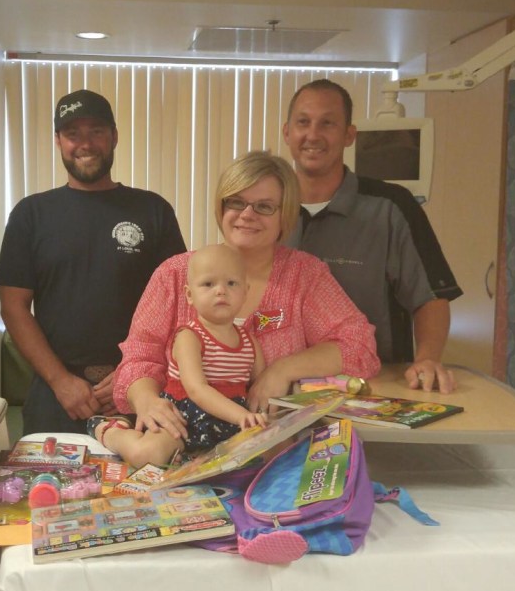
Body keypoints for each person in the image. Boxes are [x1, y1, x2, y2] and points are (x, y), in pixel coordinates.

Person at [112, 151, 379, 442]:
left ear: (285, 215)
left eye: (264, 207)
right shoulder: (175, 274)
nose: (247, 215)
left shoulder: (305, 275)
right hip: (183, 442)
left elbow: (358, 346)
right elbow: (139, 357)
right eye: (236, 202)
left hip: (274, 443)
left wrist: (283, 370)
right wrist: (146, 400)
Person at [0, 89, 185, 435]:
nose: (85, 143)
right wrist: (60, 380)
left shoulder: (152, 210)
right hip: (57, 395)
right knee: (49, 491)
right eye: (72, 134)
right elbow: (13, 307)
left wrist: (135, 375)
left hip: (140, 395)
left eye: (96, 131)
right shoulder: (31, 214)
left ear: (113, 136)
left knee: (142, 490)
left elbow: (178, 305)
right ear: (58, 141)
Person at [282, 79, 462, 394]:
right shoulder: (265, 208)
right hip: (280, 386)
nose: (313, 135)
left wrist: (428, 359)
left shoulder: (391, 207)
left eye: (327, 123)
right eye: (303, 122)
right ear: (287, 132)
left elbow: (430, 296)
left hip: (375, 385)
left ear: (349, 135)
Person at [90, 243, 268, 467]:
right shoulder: (189, 337)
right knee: (147, 454)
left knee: (270, 454)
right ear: (189, 295)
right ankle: (113, 433)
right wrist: (241, 416)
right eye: (208, 284)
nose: (221, 290)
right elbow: (197, 389)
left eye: (231, 283)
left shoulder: (250, 342)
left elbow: (259, 386)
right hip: (183, 420)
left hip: (228, 424)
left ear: (245, 292)